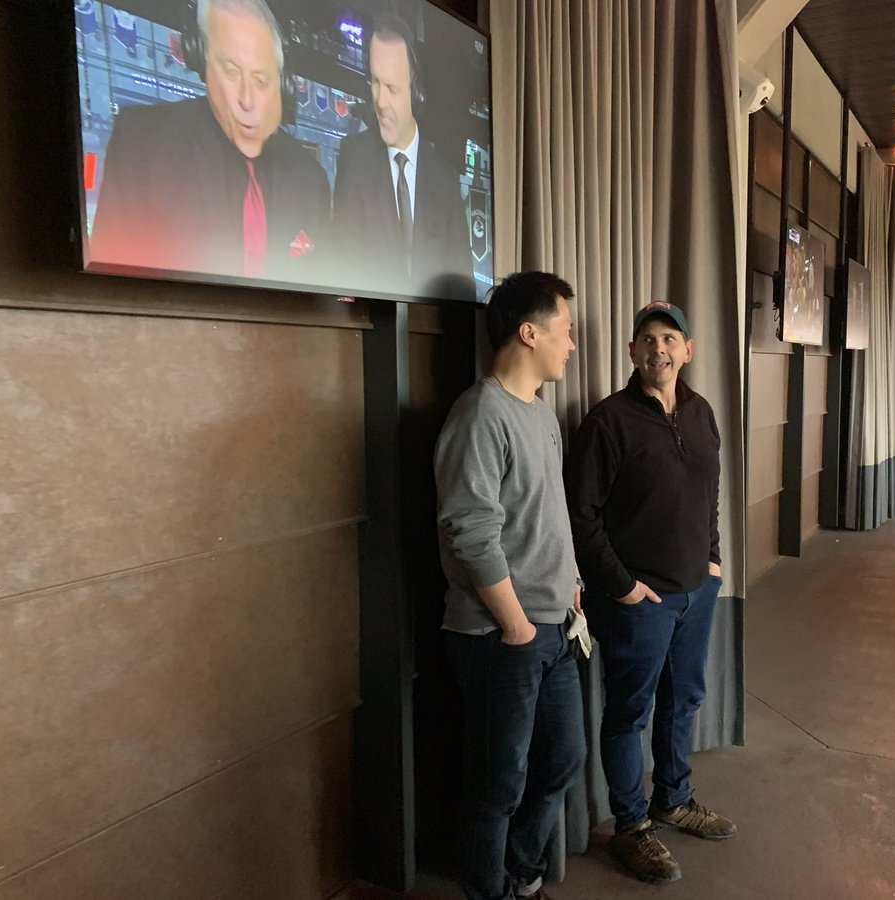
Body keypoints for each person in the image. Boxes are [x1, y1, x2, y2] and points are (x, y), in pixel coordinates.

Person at [565, 301, 732, 886]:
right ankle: (632, 826)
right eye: (646, 339)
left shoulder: (702, 412)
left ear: (687, 350)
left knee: (683, 699)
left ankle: (672, 799)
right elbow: (581, 515)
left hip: (696, 592)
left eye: (669, 337)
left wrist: (713, 558)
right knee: (629, 712)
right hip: (640, 601)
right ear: (632, 353)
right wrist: (623, 586)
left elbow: (707, 492)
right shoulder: (608, 421)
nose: (658, 348)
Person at [434, 271, 585, 900]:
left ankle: (520, 877)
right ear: (529, 332)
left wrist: (571, 583)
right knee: (499, 784)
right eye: (566, 331)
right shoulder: (480, 413)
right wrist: (517, 624)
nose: (572, 345)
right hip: (501, 637)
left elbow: (546, 513)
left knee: (562, 761)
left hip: (554, 629)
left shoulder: (540, 415)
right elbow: (470, 530)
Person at [89, 0, 331, 282]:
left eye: (261, 80)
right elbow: (114, 288)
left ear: (282, 84)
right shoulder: (142, 143)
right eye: (231, 71)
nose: (247, 100)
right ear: (203, 60)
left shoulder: (310, 178)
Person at [330, 13, 475, 301]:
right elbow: (341, 263)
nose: (380, 102)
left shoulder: (444, 179)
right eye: (375, 82)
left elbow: (463, 287)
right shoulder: (353, 157)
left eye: (393, 89)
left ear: (416, 92)